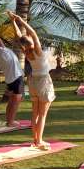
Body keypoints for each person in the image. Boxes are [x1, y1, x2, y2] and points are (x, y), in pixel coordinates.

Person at [8, 11, 55, 149]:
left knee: (35, 112)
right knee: (42, 114)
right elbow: (32, 32)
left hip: (33, 81)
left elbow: (19, 37)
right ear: (32, 42)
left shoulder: (27, 52)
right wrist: (20, 21)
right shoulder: (37, 51)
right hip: (43, 82)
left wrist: (13, 21)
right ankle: (39, 141)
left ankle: (35, 139)